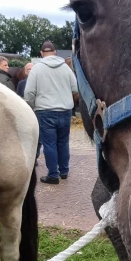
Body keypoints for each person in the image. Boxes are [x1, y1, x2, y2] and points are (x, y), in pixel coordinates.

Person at [24, 41, 78, 184]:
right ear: (55, 52)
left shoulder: (36, 69)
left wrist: (32, 105)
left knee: (49, 144)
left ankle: (53, 174)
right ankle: (64, 171)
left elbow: (29, 92)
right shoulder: (66, 68)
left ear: (41, 53)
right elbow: (75, 88)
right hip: (65, 110)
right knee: (63, 142)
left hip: (45, 111)